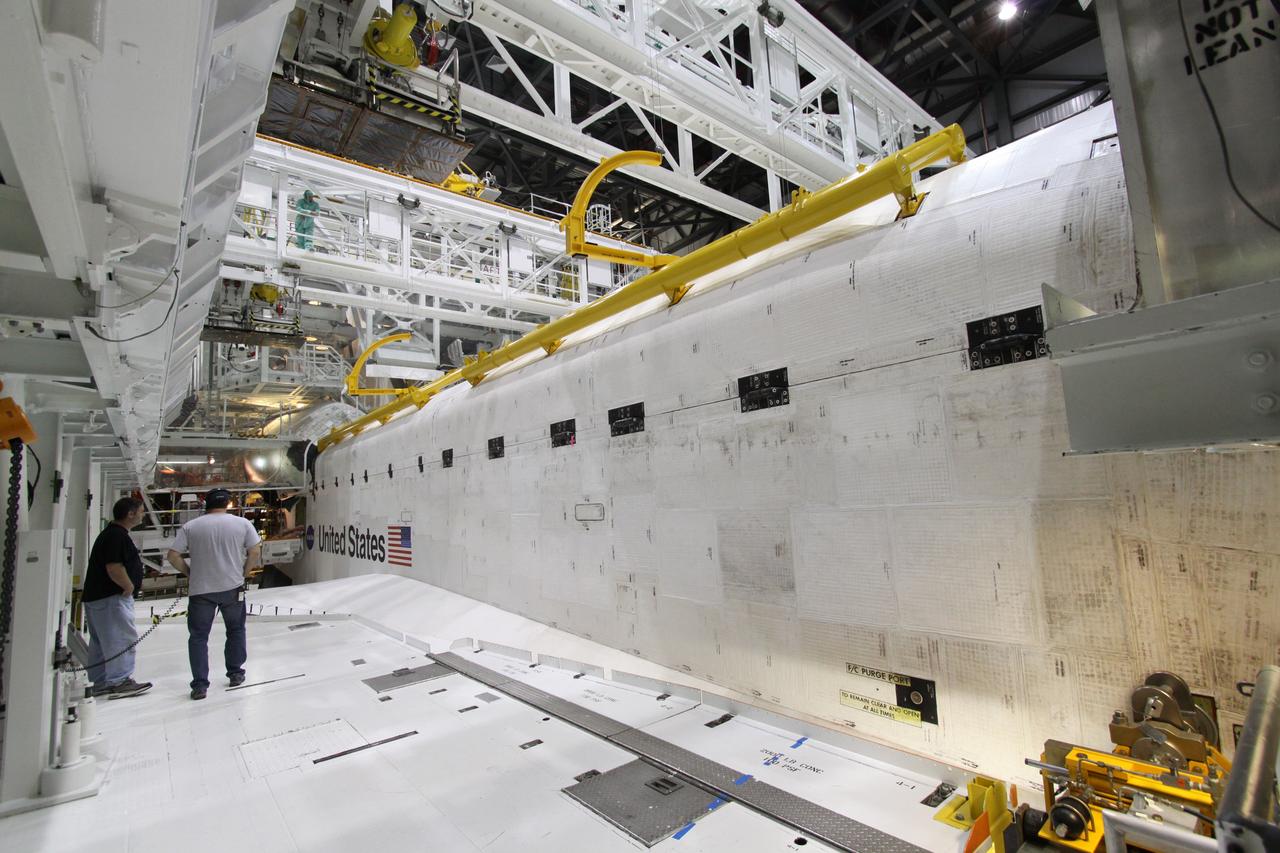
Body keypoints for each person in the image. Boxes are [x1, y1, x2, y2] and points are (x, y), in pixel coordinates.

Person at [165, 489, 261, 700]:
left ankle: (200, 685)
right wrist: (244, 573)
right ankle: (235, 673)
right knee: (235, 630)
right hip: (232, 588)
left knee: (198, 637)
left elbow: (172, 556)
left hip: (201, 591)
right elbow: (254, 551)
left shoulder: (191, 527)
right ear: (227, 503)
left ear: (205, 505)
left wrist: (190, 572)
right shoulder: (242, 523)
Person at [81, 497, 153, 698]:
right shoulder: (116, 536)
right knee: (120, 638)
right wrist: (128, 585)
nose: (142, 515)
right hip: (111, 598)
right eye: (140, 511)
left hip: (97, 597)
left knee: (101, 642)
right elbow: (114, 567)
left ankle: (102, 682)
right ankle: (120, 681)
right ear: (130, 514)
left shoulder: (110, 534)